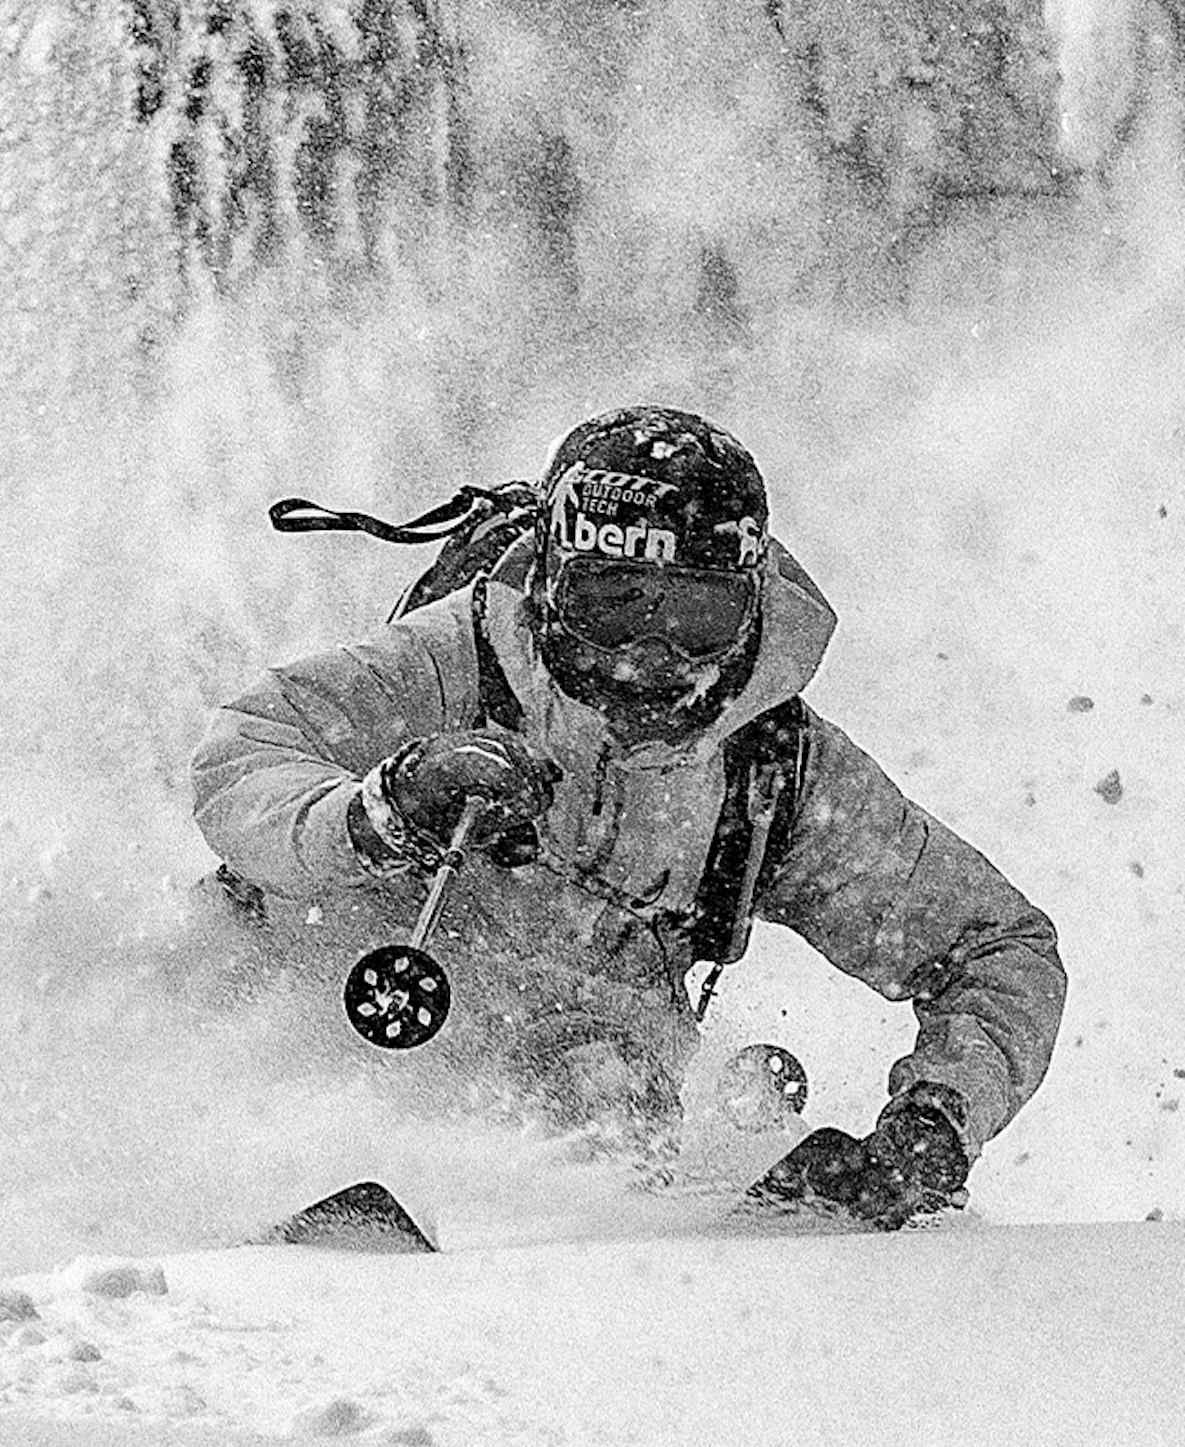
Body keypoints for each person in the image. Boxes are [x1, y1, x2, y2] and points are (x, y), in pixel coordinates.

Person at [192, 405, 1066, 1230]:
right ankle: (230, 1204)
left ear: (751, 606)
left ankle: (591, 1264)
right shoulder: (450, 661)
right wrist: (383, 809)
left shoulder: (775, 770)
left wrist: (935, 1124)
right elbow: (244, 753)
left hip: (588, 1070)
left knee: (603, 1104)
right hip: (320, 992)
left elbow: (999, 950)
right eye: (615, 605)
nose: (653, 655)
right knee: (222, 1014)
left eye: (696, 616)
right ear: (549, 585)